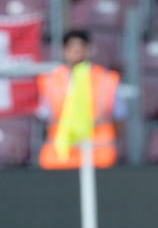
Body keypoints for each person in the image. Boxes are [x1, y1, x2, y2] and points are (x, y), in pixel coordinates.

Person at [36, 30, 124, 170]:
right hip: (59, 156)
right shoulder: (50, 80)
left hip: (98, 154)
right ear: (63, 50)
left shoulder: (106, 79)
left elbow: (119, 119)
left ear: (89, 50)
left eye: (81, 47)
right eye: (71, 47)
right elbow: (45, 118)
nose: (76, 51)